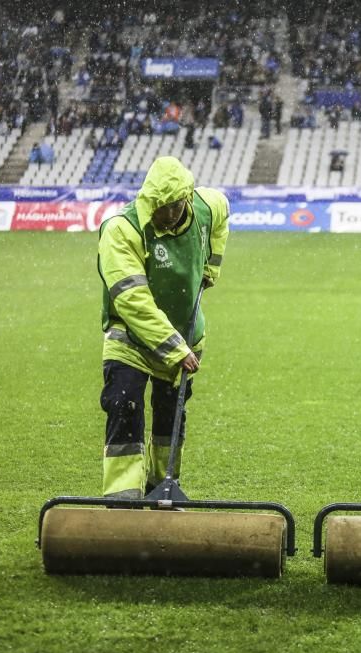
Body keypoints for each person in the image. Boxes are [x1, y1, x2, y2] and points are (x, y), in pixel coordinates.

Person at [96, 156, 230, 499]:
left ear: (186, 198)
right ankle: (123, 498)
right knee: (124, 404)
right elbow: (132, 300)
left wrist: (210, 267)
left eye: (173, 206)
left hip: (186, 333)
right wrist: (173, 348)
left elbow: (222, 215)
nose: (165, 213)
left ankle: (164, 488)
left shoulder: (208, 206)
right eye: (158, 206)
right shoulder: (121, 229)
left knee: (171, 418)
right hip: (130, 338)